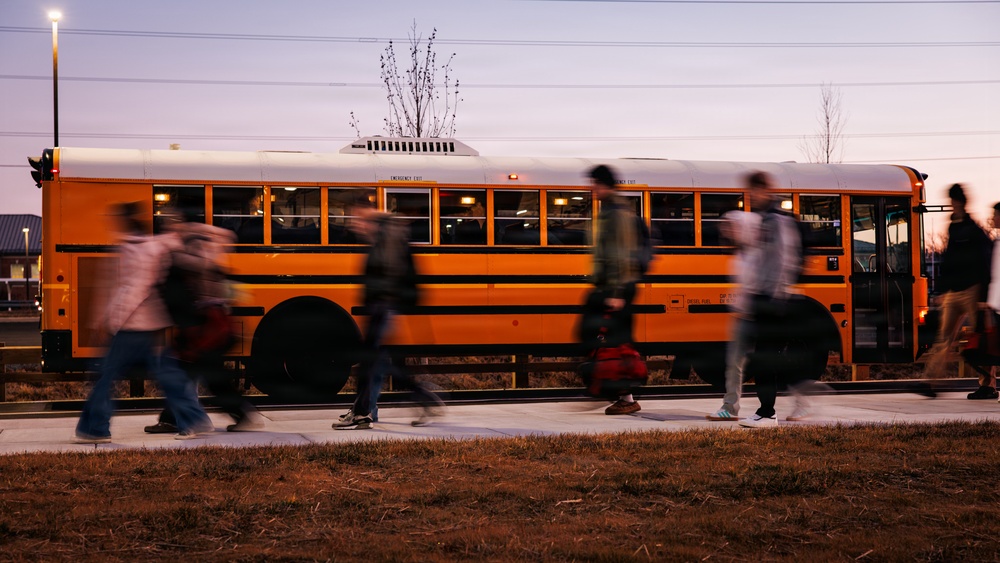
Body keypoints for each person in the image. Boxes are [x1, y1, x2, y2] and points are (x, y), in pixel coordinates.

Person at [75, 202, 213, 443]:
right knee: (167, 376)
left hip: (132, 327)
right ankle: (193, 419)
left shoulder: (133, 248)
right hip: (152, 325)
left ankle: (95, 429)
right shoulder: (153, 244)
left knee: (106, 377)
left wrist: (109, 322)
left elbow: (132, 288)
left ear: (125, 221)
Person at [144, 209, 265, 434]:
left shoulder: (187, 249)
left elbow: (184, 290)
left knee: (195, 374)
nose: (168, 227)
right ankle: (177, 417)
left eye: (172, 222)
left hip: (204, 326)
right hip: (210, 323)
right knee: (197, 373)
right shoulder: (205, 244)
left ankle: (185, 418)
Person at [333, 193, 444, 430]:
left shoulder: (387, 231)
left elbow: (391, 271)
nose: (354, 224)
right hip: (381, 306)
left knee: (370, 362)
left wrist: (381, 300)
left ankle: (363, 412)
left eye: (355, 217)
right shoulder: (380, 232)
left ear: (364, 211)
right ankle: (421, 401)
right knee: (381, 363)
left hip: (384, 306)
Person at [735, 171, 803, 429]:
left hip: (771, 299)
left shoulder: (775, 220)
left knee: (764, 359)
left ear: (764, 190)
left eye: (753, 191)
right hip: (764, 297)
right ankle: (768, 409)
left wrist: (773, 296)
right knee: (764, 359)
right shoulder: (765, 219)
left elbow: (782, 260)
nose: (750, 196)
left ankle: (768, 412)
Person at [920, 184, 993, 398]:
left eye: (953, 201)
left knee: (979, 338)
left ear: (960, 202)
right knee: (943, 338)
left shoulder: (974, 230)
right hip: (954, 292)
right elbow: (948, 260)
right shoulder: (953, 228)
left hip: (972, 291)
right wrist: (941, 290)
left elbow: (985, 262)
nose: (952, 204)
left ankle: (987, 385)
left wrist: (983, 296)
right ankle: (930, 382)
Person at [586, 164, 643, 415]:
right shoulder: (610, 210)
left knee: (613, 343)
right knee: (613, 343)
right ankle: (619, 392)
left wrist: (617, 293)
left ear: (604, 184)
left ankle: (623, 394)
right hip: (610, 286)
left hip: (617, 288)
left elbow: (620, 252)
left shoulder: (617, 213)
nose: (592, 189)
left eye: (595, 184)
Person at [706, 208, 762, 421]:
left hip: (761, 315)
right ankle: (730, 408)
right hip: (744, 315)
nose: (727, 231)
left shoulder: (759, 254)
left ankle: (801, 399)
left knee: (771, 362)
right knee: (734, 362)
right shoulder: (739, 254)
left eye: (732, 227)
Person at [976, 201, 1000, 401]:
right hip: (994, 304)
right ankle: (987, 386)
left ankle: (988, 386)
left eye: (995, 214)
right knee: (990, 345)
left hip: (995, 303)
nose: (992, 218)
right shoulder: (996, 242)